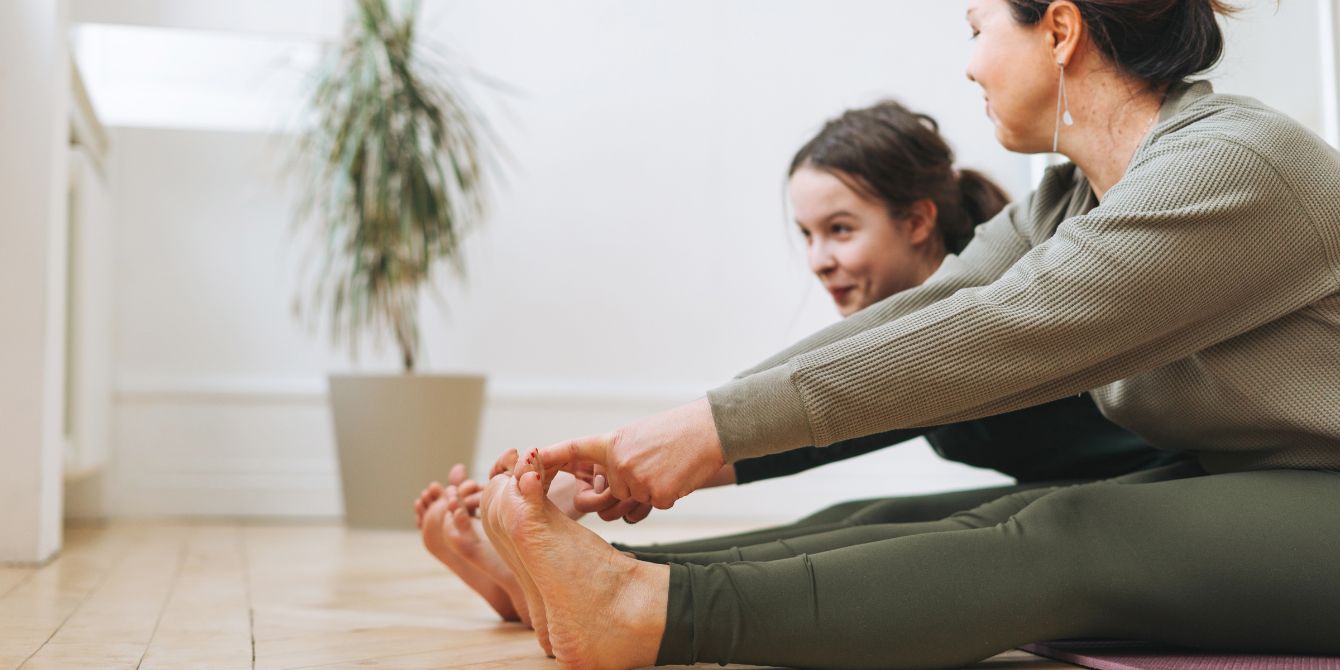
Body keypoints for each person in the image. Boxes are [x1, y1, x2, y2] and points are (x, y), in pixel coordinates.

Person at [480, 0, 1340, 668]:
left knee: (1073, 532)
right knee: (952, 513)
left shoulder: (1233, 163)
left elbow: (1003, 330)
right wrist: (682, 433)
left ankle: (644, 612)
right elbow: (917, 316)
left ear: (1061, 31)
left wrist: (711, 433)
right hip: (1269, 487)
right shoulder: (1065, 199)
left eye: (976, 28)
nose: (968, 66)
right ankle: (616, 576)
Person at [413, 99, 1179, 624]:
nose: (819, 259)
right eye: (807, 235)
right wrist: (588, 482)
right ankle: (557, 578)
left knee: (866, 523)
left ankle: (587, 577)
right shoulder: (904, 316)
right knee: (860, 519)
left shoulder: (980, 311)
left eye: (840, 230)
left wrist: (599, 482)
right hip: (1093, 497)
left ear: (917, 221)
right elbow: (787, 423)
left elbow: (818, 426)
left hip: (1160, 498)